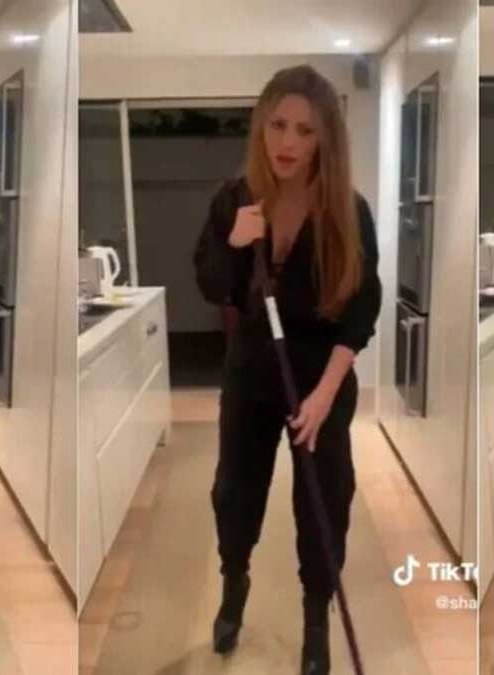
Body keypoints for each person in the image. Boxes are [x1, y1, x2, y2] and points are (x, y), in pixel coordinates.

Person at [193, 64, 381, 675]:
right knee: (234, 492)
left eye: (305, 130)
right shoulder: (233, 199)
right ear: (261, 126)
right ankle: (234, 582)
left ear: (325, 138)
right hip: (252, 370)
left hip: (320, 375)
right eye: (278, 125)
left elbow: (361, 311)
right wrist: (235, 244)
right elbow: (211, 285)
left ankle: (315, 615)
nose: (288, 142)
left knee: (324, 500)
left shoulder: (347, 211)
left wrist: (325, 396)